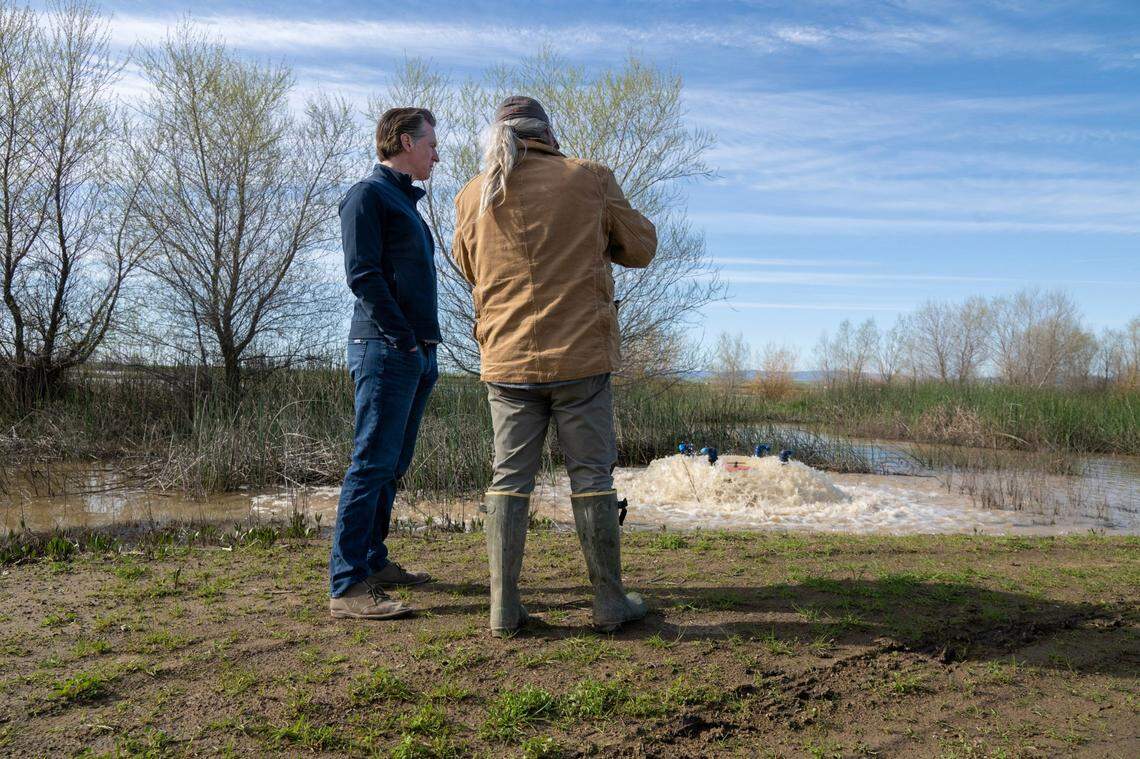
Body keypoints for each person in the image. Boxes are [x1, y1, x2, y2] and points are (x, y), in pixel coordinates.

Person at [453, 96, 657, 636]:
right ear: (546, 133)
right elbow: (639, 248)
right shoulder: (588, 178)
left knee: (508, 478)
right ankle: (609, 602)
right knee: (590, 474)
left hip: (506, 358)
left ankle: (503, 607)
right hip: (580, 356)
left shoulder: (472, 195)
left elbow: (467, 265)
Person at [329, 107, 441, 620]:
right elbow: (363, 275)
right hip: (385, 347)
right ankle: (348, 585)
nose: (436, 153)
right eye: (429, 143)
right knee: (371, 461)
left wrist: (421, 349)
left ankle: (372, 561)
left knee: (392, 465)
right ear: (402, 141)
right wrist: (403, 341)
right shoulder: (367, 196)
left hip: (415, 351)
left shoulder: (405, 202)